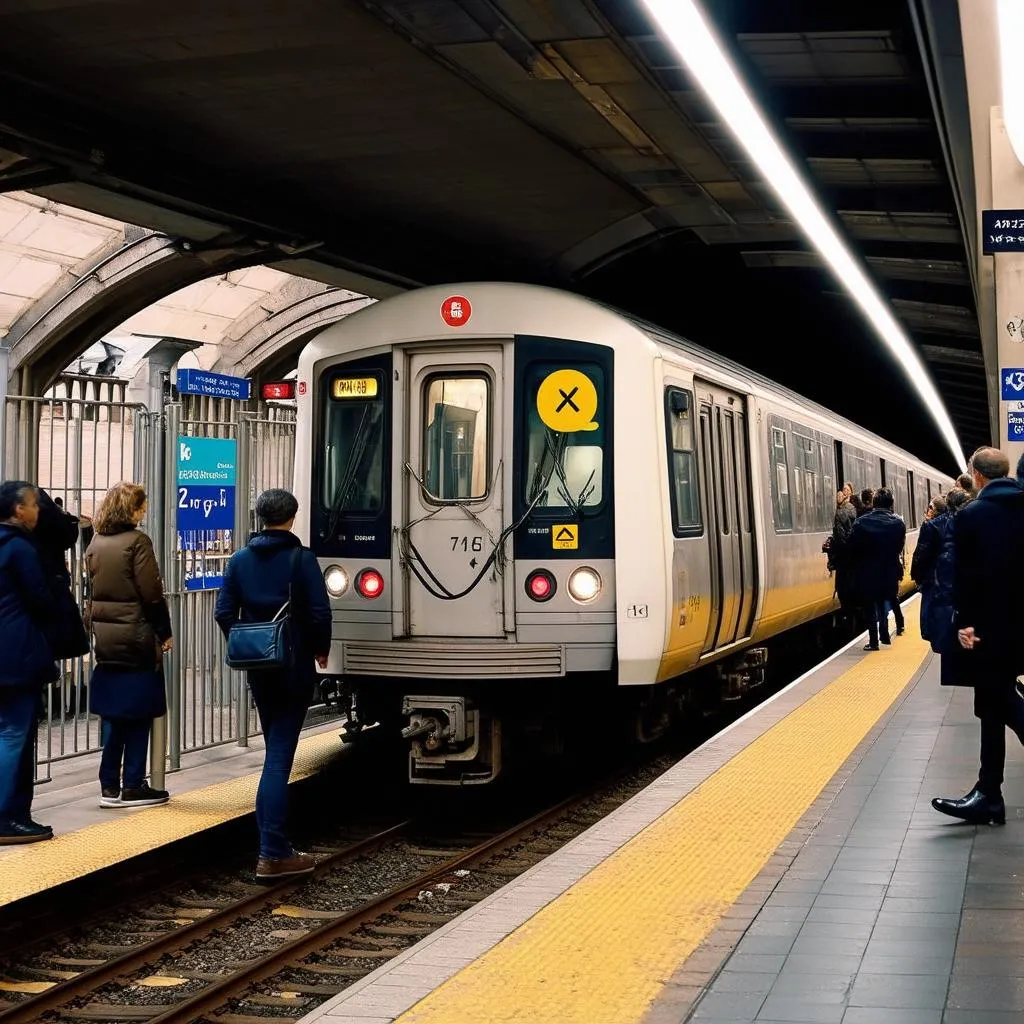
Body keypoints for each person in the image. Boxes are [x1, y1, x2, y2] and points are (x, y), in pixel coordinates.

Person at [215, 488, 332, 880]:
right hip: (294, 666)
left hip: (259, 669)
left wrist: (252, 639)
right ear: (292, 517)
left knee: (273, 755)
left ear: (260, 516)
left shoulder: (239, 559)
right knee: (279, 760)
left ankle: (274, 846)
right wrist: (319, 650)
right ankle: (273, 853)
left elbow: (223, 613)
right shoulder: (302, 559)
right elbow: (318, 613)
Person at [932, 448, 1024, 824]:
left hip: (987, 627)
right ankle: (988, 793)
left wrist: (964, 624)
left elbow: (962, 574)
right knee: (992, 702)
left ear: (977, 476)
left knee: (997, 700)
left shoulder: (971, 515)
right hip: (1020, 626)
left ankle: (988, 795)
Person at [85, 482, 172, 809]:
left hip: (107, 642)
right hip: (137, 638)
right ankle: (134, 784)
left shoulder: (96, 543)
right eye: (140, 506)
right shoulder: (137, 542)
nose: (144, 511)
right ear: (129, 509)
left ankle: (109, 785)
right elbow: (151, 594)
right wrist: (164, 632)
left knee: (116, 714)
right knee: (140, 712)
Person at [0, 482, 58, 843]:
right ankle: (5, 816)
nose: (39, 511)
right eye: (35, 505)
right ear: (19, 510)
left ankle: (17, 813)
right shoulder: (21, 548)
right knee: (13, 733)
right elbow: (42, 600)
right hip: (17, 653)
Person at [846, 487, 906, 651]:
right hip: (889, 570)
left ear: (874, 502)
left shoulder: (861, 522)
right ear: (891, 504)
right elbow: (899, 547)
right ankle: (884, 633)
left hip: (867, 571)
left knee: (870, 606)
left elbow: (851, 546)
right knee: (882, 602)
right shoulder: (898, 524)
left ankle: (873, 641)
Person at [910, 493, 947, 640]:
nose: (928, 510)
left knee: (928, 606)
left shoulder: (929, 526)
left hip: (931, 576)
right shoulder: (950, 522)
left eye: (931, 507)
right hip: (943, 575)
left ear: (937, 509)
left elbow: (921, 554)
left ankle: (929, 632)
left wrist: (917, 576)